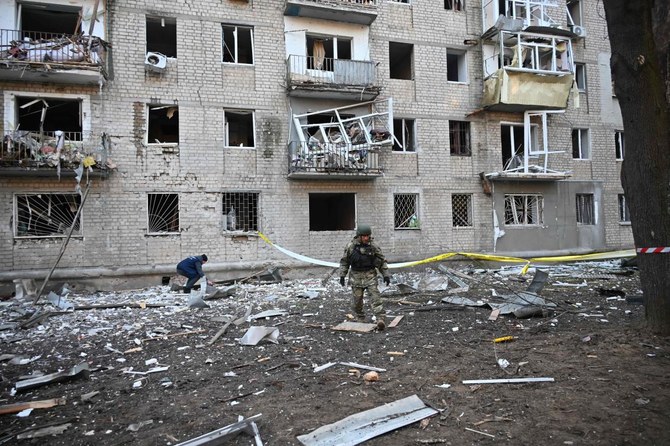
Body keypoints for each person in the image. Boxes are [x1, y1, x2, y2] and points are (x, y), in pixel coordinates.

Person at [339, 224, 391, 330]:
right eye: (364, 236)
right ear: (359, 236)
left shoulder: (373, 246)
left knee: (375, 298)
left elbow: (381, 261)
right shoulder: (351, 247)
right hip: (356, 277)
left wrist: (385, 275)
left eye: (368, 236)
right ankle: (360, 317)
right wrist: (342, 275)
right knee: (357, 301)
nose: (366, 238)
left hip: (370, 276)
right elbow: (344, 262)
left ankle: (380, 318)